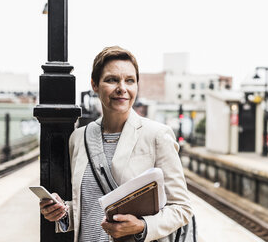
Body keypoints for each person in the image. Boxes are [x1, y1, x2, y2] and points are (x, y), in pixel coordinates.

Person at [39, 46, 193, 242]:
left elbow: (182, 208)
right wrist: (62, 212)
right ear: (95, 85)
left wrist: (143, 226)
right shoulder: (78, 138)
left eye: (130, 80)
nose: (122, 88)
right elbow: (89, 208)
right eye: (112, 80)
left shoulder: (157, 135)